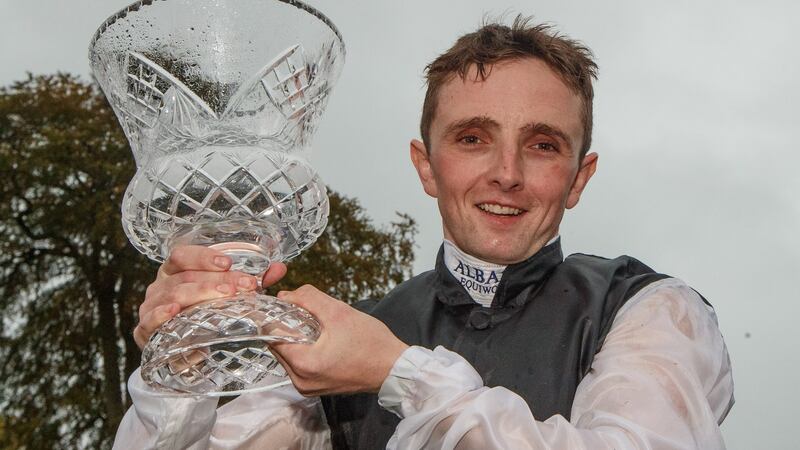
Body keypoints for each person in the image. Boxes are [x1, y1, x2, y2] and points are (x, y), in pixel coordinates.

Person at [114, 17, 734, 449]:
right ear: (425, 166)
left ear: (579, 177)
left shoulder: (649, 309)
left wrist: (398, 372)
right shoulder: (341, 342)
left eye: (543, 145)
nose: (507, 173)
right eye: (473, 138)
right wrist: (180, 372)